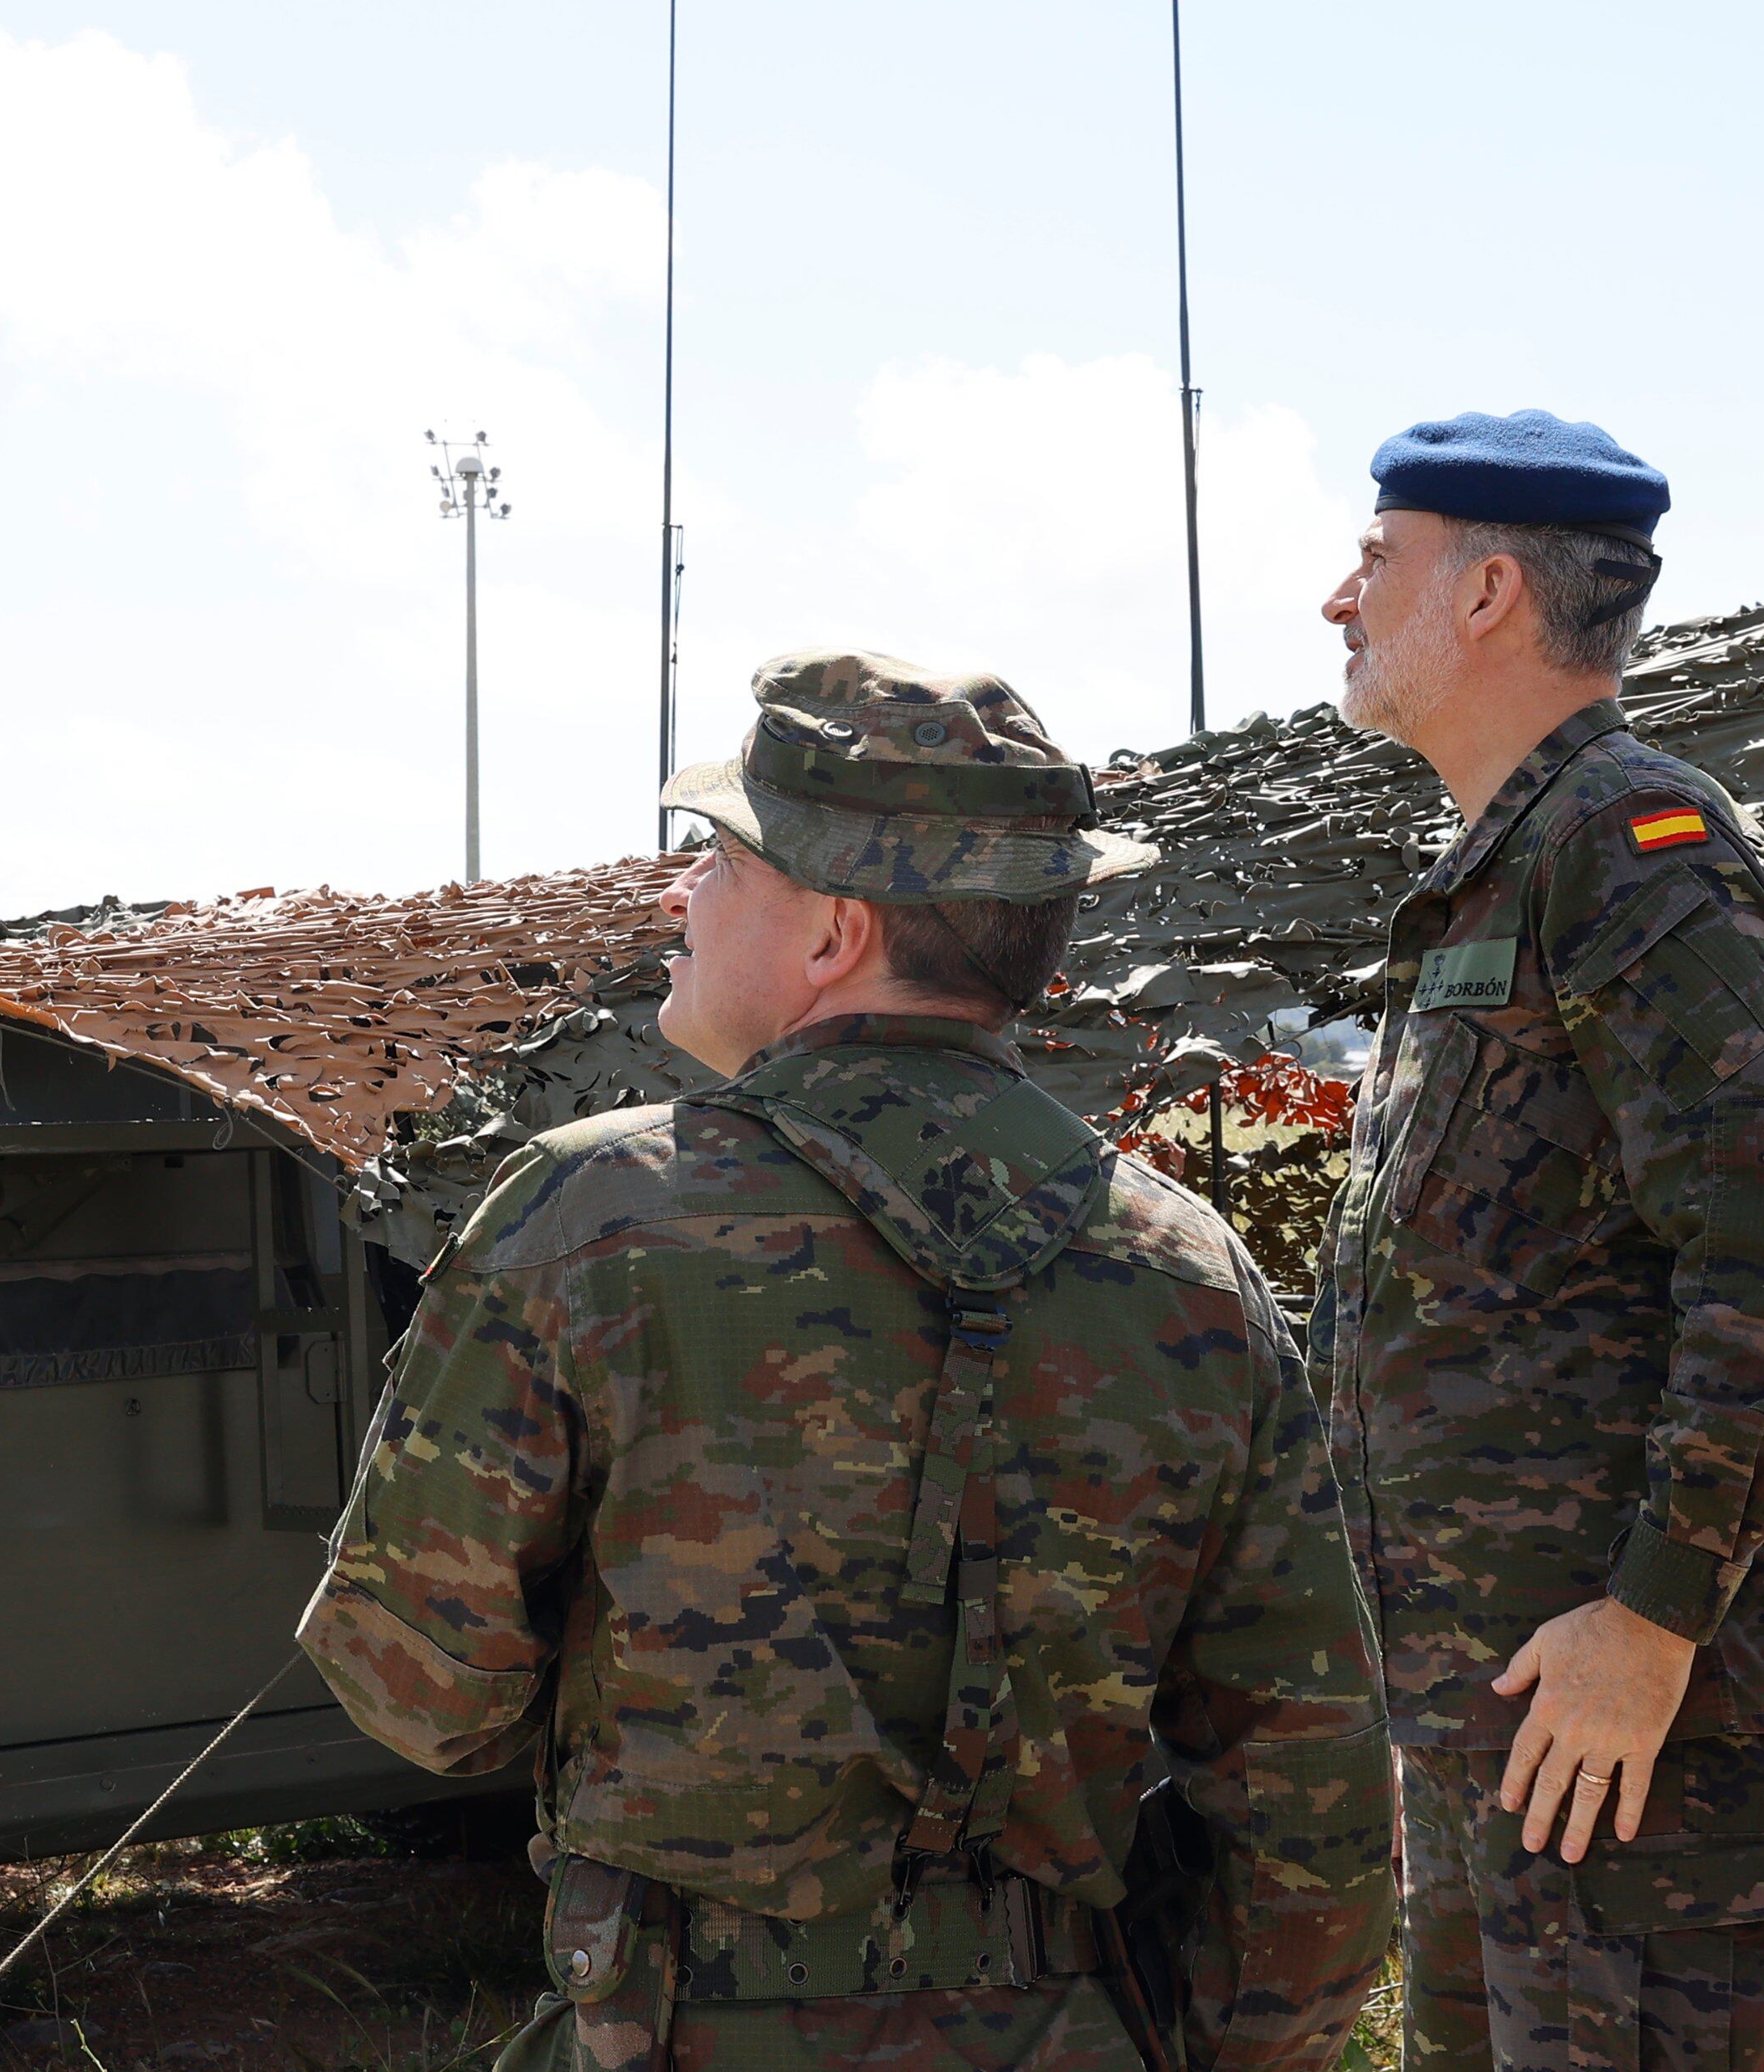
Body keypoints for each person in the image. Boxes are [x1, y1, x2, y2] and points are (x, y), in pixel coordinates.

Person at [300, 651, 1392, 2072]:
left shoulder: (591, 1223)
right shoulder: (1192, 1271)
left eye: (717, 857)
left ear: (833, 932)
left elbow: (416, 1689)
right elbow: (1314, 1802)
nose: (673, 895)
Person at [1311, 411, 1764, 2069]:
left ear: (1485, 588)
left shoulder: (1628, 852)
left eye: (1373, 557)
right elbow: (1684, 1263)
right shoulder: (1497, 873)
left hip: (1633, 1759)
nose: (1334, 598)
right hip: (1509, 1753)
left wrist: (1651, 1618)